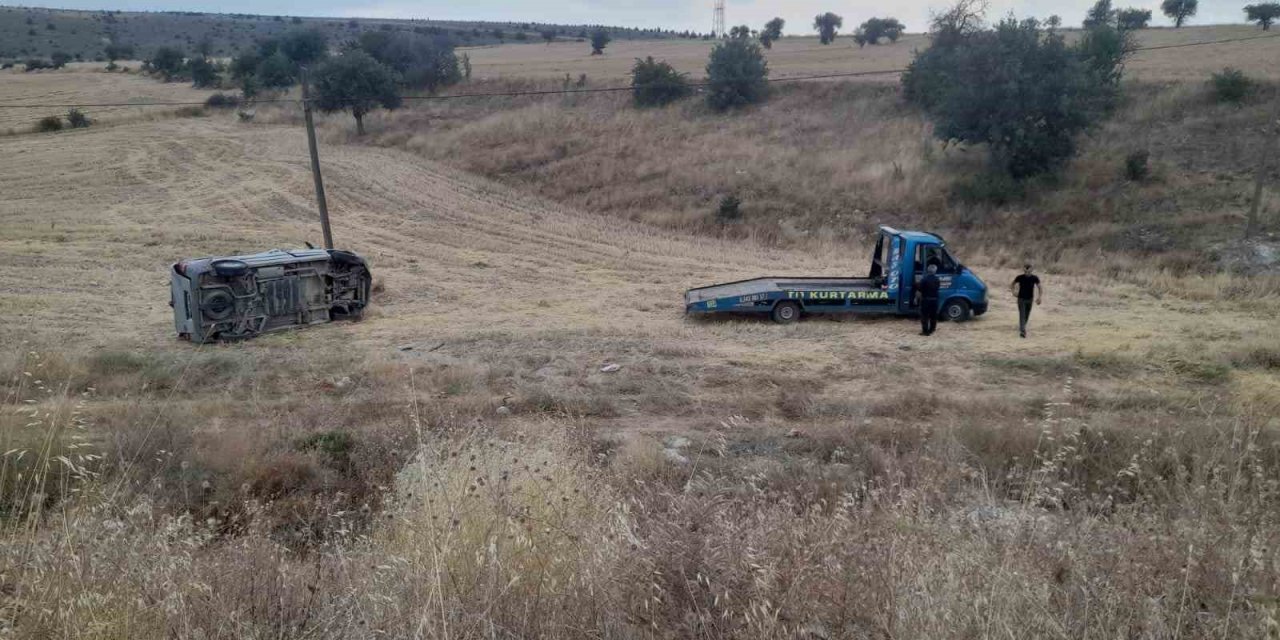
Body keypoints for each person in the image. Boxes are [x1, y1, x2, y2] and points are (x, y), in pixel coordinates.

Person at [1011, 264, 1043, 338]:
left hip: (1030, 299)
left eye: (1029, 271)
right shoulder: (1020, 277)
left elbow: (1040, 288)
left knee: (1027, 314)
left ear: (1031, 270)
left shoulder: (1035, 278)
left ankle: (1022, 326)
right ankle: (1023, 331)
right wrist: (1013, 292)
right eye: (1026, 270)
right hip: (1021, 299)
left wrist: (1039, 297)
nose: (1027, 272)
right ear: (1024, 270)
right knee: (1022, 314)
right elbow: (1012, 284)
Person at [915, 263, 941, 336]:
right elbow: (937, 288)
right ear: (935, 271)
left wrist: (916, 284)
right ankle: (932, 330)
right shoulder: (937, 279)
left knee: (924, 316)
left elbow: (920, 288)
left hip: (926, 300)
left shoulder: (924, 279)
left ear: (928, 271)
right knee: (933, 316)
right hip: (935, 300)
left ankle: (925, 332)